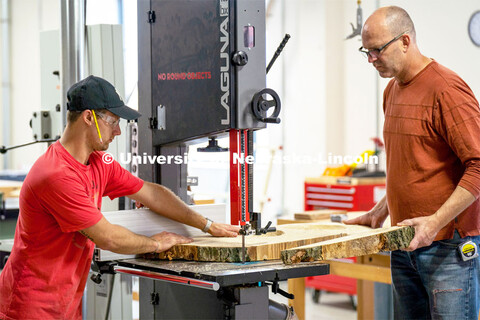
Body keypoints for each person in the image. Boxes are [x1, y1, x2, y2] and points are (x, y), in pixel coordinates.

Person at [0, 75, 240, 320]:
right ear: (87, 118)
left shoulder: (99, 162)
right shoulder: (56, 174)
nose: (117, 131)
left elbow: (150, 193)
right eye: (113, 121)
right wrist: (156, 243)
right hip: (29, 306)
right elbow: (108, 238)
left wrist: (207, 225)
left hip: (66, 304)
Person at [344, 6, 480, 319]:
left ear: (405, 41)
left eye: (377, 50)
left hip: (448, 248)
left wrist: (433, 223)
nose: (371, 59)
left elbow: (477, 165)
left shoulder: (446, 89)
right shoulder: (391, 91)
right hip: (404, 244)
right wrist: (379, 212)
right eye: (366, 50)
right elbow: (412, 167)